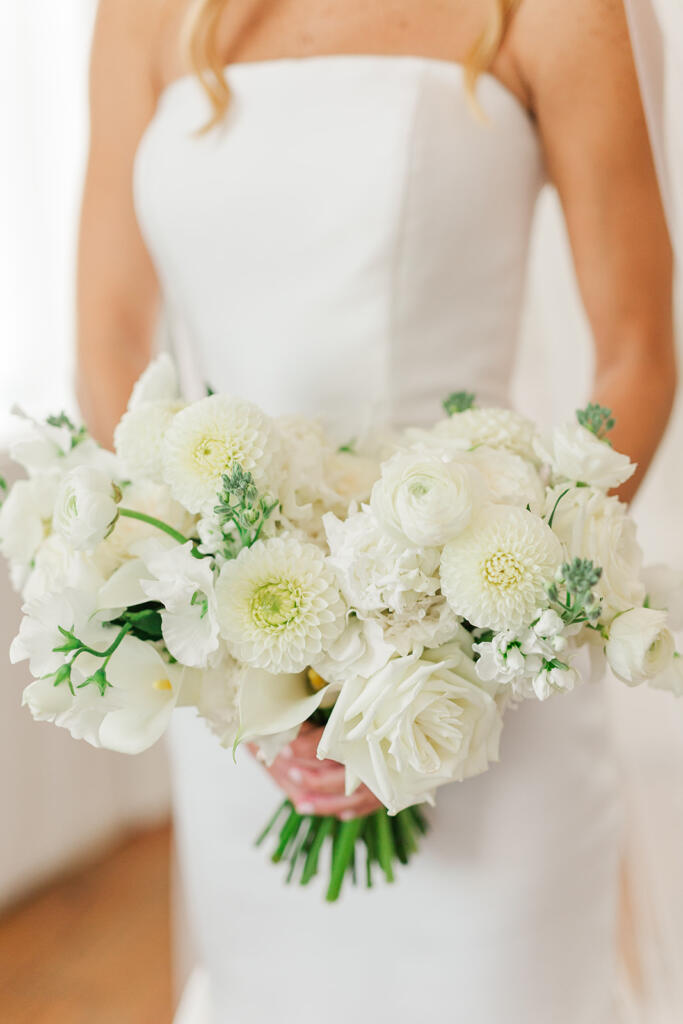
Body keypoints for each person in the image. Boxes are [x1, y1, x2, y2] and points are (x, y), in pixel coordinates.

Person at [76, 1, 675, 1021]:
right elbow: (110, 346)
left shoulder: (562, 13)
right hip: (240, 685)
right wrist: (228, 629)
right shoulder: (143, 16)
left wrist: (465, 633)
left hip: (480, 685)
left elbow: (636, 350)